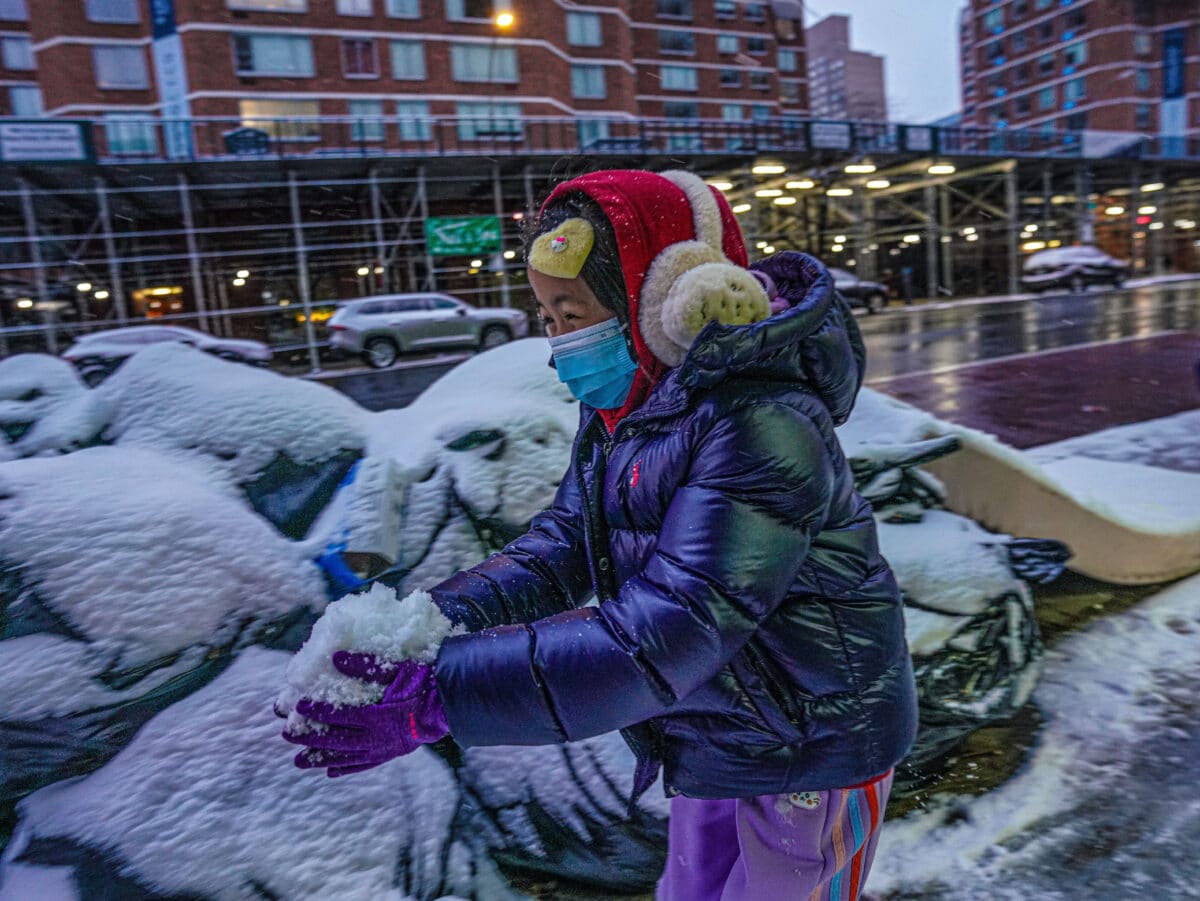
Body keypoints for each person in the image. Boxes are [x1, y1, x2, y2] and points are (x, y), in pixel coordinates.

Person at [285, 169, 918, 900]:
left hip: (814, 743)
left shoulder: (761, 420)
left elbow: (672, 628)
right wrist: (423, 626)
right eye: (546, 317)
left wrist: (443, 692)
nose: (558, 343)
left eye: (572, 311)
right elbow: (557, 551)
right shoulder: (632, 408)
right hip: (717, 730)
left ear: (664, 301)